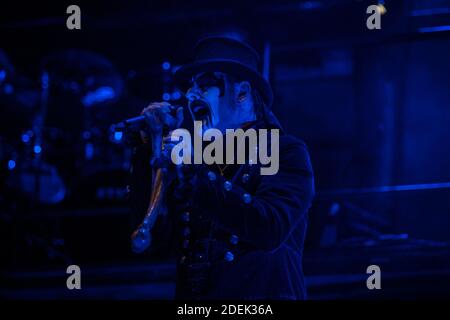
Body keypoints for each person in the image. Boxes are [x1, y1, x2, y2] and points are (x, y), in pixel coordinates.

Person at [129, 36, 315, 299]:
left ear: (241, 92)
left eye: (204, 84)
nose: (191, 94)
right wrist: (148, 150)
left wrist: (195, 172)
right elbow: (153, 242)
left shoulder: (283, 149)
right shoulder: (195, 157)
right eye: (190, 87)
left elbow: (270, 227)